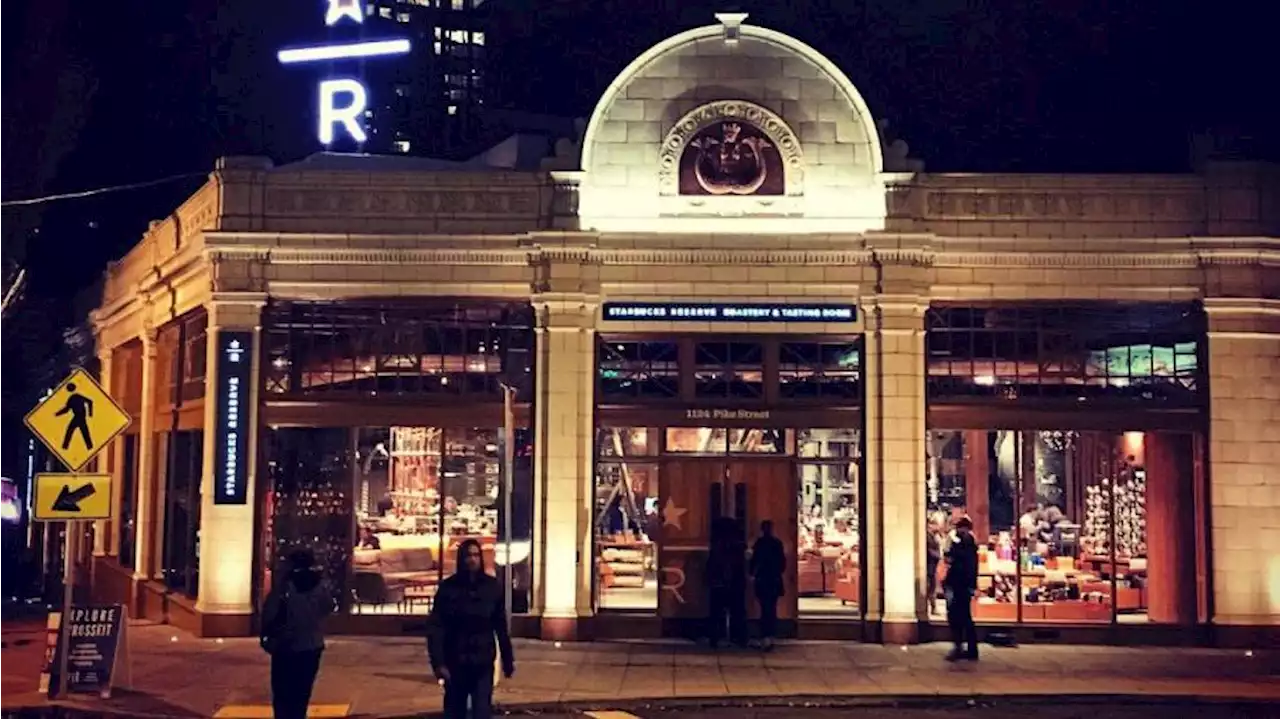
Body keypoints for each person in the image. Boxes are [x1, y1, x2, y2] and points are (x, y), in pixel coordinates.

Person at [428, 539, 515, 719]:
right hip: (455, 661)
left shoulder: (491, 587)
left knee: (482, 710)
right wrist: (438, 663)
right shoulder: (448, 589)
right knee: (455, 710)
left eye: (476, 555)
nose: (472, 560)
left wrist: (507, 659)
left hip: (482, 660)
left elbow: (500, 625)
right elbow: (436, 628)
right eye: (468, 555)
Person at [260, 549, 336, 719]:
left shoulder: (284, 586)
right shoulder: (320, 586)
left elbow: (270, 612)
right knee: (302, 691)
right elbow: (328, 608)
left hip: (286, 645)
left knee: (282, 692)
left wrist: (266, 636)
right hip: (311, 644)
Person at [705, 517, 747, 648]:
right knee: (737, 611)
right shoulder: (738, 547)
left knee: (716, 612)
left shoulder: (717, 547)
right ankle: (739, 637)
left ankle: (715, 637)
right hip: (735, 583)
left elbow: (711, 565)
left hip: (719, 583)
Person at [943, 516, 980, 662]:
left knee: (958, 617)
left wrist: (970, 586)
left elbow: (966, 565)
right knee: (964, 617)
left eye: (959, 528)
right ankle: (969, 649)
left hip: (960, 585)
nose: (957, 531)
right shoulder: (966, 544)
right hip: (960, 584)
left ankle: (961, 648)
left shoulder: (965, 544)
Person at [748, 520, 786, 650]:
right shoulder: (777, 543)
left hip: (762, 579)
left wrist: (752, 574)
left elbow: (755, 561)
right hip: (774, 580)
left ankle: (764, 635)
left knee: (764, 608)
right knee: (772, 608)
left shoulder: (759, 544)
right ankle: (771, 635)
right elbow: (782, 564)